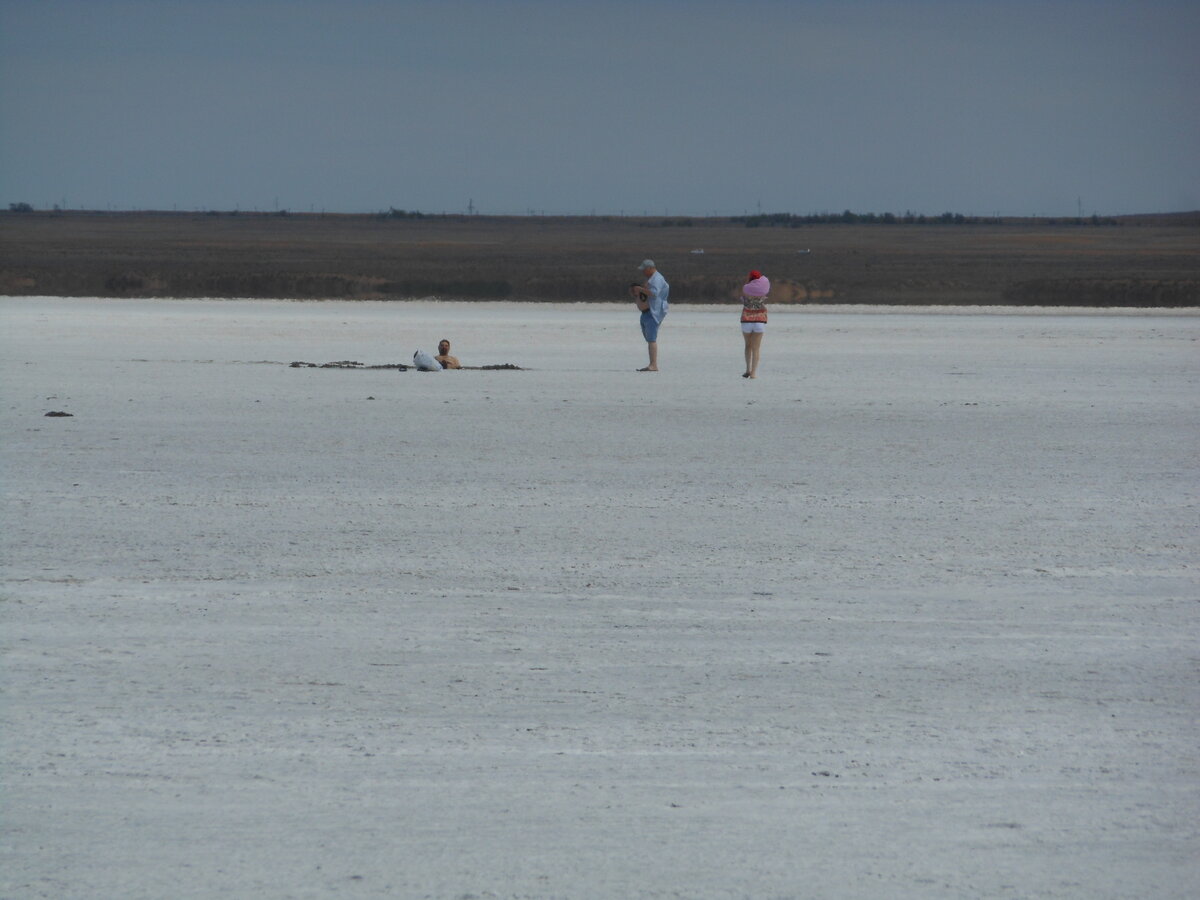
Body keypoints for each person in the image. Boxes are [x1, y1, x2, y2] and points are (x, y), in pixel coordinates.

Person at [629, 259, 669, 371]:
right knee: (649, 338)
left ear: (650, 268)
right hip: (646, 313)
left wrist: (640, 288)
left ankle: (653, 364)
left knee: (652, 339)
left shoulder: (657, 279)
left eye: (644, 270)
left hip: (654, 312)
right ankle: (652, 363)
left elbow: (655, 294)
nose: (643, 272)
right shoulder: (651, 279)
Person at [740, 270, 769, 379]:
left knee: (748, 346)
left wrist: (747, 281)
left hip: (746, 319)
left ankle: (747, 369)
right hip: (760, 320)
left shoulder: (746, 289)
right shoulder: (764, 290)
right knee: (756, 348)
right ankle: (753, 373)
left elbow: (744, 295)